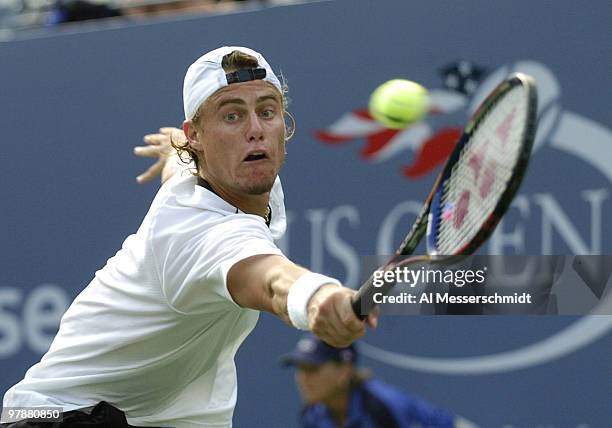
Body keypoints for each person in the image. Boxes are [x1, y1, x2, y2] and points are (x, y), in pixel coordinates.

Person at [1, 46, 376, 428]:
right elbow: (271, 280)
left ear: (284, 124)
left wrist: (171, 153)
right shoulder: (198, 231)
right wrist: (316, 296)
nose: (255, 129)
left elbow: (178, 168)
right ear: (195, 136)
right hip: (50, 414)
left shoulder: (221, 176)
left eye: (267, 111)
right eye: (232, 116)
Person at [281, 334, 461, 428]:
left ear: (345, 370)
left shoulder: (383, 406)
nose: (303, 379)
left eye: (313, 369)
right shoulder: (312, 415)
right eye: (300, 369)